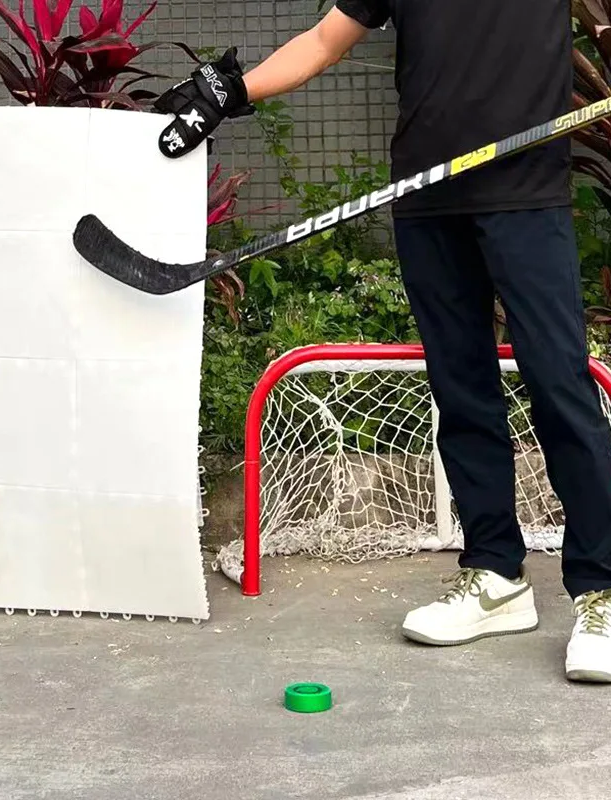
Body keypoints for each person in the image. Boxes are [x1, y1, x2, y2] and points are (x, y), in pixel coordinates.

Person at [154, 0, 611, 682]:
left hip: (524, 195)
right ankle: (494, 576)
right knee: (461, 393)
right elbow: (322, 40)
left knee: (560, 387)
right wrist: (231, 91)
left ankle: (601, 592)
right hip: (427, 196)